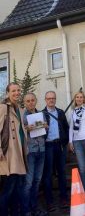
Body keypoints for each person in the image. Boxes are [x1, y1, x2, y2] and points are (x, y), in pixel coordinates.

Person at [0, 82, 27, 216]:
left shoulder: (20, 110)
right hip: (8, 155)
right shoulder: (3, 107)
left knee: (16, 189)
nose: (16, 93)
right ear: (8, 93)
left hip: (19, 153)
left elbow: (19, 131)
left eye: (18, 90)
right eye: (13, 91)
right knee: (8, 190)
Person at [42, 91, 69, 212]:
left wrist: (66, 142)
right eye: (49, 98)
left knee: (62, 173)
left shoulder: (60, 112)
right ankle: (49, 201)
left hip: (60, 146)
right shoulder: (41, 114)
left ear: (55, 99)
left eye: (53, 98)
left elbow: (66, 127)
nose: (51, 100)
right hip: (48, 146)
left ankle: (64, 198)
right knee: (48, 175)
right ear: (45, 100)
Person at [23, 93, 47, 216]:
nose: (31, 102)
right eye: (28, 101)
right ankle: (26, 210)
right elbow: (19, 131)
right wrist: (26, 128)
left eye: (32, 100)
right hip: (30, 152)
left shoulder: (41, 114)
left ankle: (34, 207)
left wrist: (45, 126)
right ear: (25, 102)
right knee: (29, 182)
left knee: (37, 180)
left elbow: (45, 128)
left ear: (36, 101)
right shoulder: (22, 116)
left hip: (41, 150)